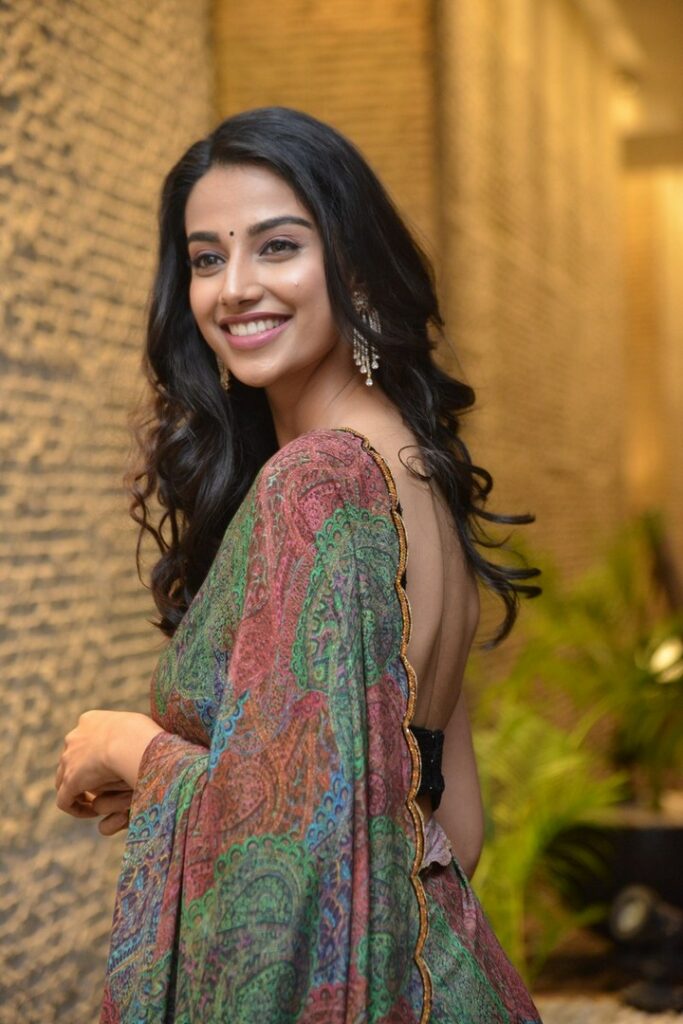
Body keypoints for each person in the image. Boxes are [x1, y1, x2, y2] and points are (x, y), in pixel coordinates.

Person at [55, 107, 543, 1022]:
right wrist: (185, 786)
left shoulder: (319, 482)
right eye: (206, 258)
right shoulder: (411, 465)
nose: (234, 287)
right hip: (444, 980)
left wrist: (130, 748)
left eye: (277, 246)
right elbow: (454, 829)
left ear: (354, 266)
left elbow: (280, 844)